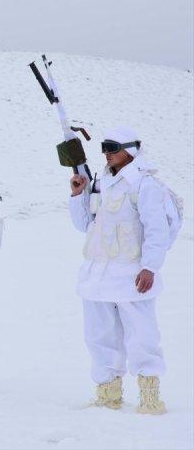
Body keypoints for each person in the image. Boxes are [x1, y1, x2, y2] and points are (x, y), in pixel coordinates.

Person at [69, 127, 170, 414]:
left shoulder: (145, 184)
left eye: (112, 147)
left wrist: (150, 267)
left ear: (132, 150)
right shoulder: (101, 181)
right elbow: (86, 225)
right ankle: (108, 394)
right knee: (99, 337)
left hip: (130, 275)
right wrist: (78, 194)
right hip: (97, 277)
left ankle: (150, 398)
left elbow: (156, 230)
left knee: (142, 336)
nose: (106, 153)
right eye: (104, 147)